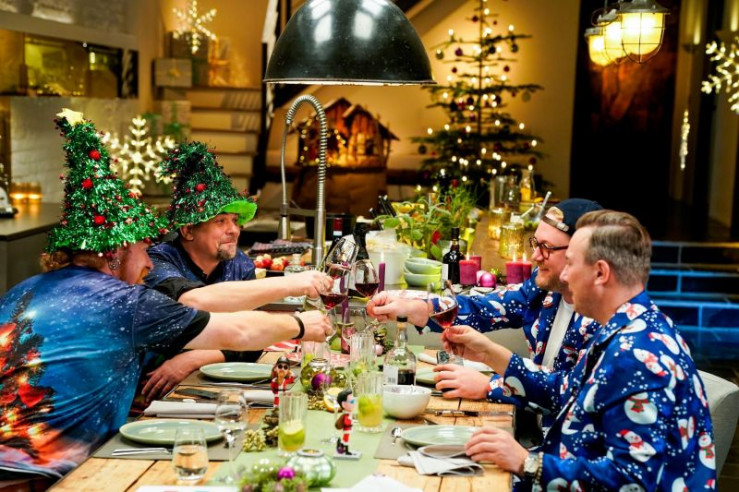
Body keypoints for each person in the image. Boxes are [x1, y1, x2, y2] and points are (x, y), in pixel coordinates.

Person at [0, 110, 332, 484]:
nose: (148, 261)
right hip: (45, 477)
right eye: (143, 249)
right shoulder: (125, 301)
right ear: (115, 252)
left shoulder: (22, 290)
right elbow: (237, 331)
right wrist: (301, 324)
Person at [444, 210, 715, 490]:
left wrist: (527, 462)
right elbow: (564, 392)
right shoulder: (629, 326)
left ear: (600, 273)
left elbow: (632, 481)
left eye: (571, 264)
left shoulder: (637, 355)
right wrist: (488, 354)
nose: (564, 274)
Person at [139, 141, 333, 401]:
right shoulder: (158, 260)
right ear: (188, 230)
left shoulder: (239, 263)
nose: (234, 230)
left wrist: (192, 359)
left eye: (235, 220)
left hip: (209, 382)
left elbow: (253, 340)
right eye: (220, 221)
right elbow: (192, 301)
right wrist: (291, 284)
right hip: (150, 391)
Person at [368, 199, 602, 409]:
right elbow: (486, 308)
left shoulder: (602, 317)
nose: (535, 256)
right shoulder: (545, 288)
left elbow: (571, 394)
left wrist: (491, 386)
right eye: (535, 243)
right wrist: (417, 308)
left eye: (547, 248)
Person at [334, 388, 358, 457]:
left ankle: (341, 446)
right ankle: (345, 450)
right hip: (346, 430)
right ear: (344, 404)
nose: (354, 403)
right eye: (352, 402)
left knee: (345, 440)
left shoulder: (349, 414)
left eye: (354, 401)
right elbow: (347, 422)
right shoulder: (346, 416)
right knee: (346, 440)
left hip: (348, 430)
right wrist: (350, 422)